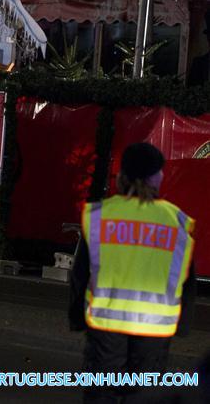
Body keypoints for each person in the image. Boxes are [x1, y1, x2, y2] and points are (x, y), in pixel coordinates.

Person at [69, 142, 196, 404]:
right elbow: (187, 279)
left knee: (102, 394)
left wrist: (77, 317)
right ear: (156, 177)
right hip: (155, 329)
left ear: (122, 176)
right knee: (142, 396)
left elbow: (80, 273)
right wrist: (183, 324)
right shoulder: (177, 221)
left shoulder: (101, 216)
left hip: (106, 326)